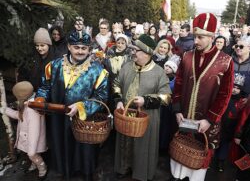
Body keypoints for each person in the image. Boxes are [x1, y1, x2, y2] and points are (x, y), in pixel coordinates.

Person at [35, 30, 109, 181]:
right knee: (61, 145)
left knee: (84, 151)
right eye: (76, 47)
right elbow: (45, 86)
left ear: (89, 49)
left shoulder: (98, 71)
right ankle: (64, 171)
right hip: (58, 118)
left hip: (83, 121)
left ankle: (86, 173)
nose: (80, 51)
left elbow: (102, 96)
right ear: (69, 47)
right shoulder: (54, 66)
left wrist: (82, 107)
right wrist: (41, 98)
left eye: (84, 48)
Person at [170, 13, 234, 181]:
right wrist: (176, 110)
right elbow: (178, 84)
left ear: (211, 36)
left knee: (198, 164)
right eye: (195, 36)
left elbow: (225, 94)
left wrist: (210, 120)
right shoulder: (187, 56)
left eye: (200, 37)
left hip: (205, 123)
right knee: (179, 155)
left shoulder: (226, 61)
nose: (195, 41)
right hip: (183, 118)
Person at [113, 34, 171, 181]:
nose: (132, 52)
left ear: (146, 53)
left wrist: (146, 100)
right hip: (126, 117)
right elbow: (116, 84)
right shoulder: (127, 66)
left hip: (147, 119)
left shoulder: (159, 72)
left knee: (142, 146)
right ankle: (124, 167)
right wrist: (118, 100)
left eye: (136, 50)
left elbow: (167, 97)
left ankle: (140, 172)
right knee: (124, 142)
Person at [0, 81, 47, 179]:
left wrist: (32, 150)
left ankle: (43, 169)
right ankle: (35, 164)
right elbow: (20, 116)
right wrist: (6, 110)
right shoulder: (28, 105)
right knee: (33, 156)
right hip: (28, 138)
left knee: (33, 155)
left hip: (32, 140)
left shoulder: (32, 110)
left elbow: (34, 130)